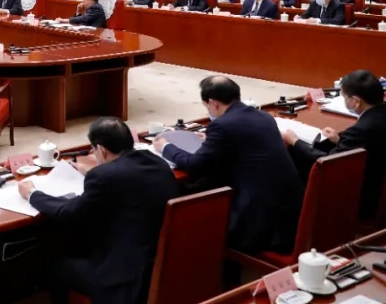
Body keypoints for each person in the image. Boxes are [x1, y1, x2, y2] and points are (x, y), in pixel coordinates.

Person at [21, 118, 178, 304]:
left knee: (56, 262)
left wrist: (32, 194)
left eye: (94, 150)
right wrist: (92, 172)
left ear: (101, 150)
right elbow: (126, 178)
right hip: (159, 265)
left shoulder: (105, 176)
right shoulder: (157, 163)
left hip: (122, 278)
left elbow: (69, 213)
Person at [156, 76, 302, 254]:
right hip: (289, 215)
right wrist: (213, 140)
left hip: (257, 223)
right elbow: (243, 141)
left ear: (212, 103)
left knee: (191, 206)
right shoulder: (264, 116)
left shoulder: (222, 125)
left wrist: (166, 147)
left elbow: (194, 165)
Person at [281, 69, 386, 219]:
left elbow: (329, 164)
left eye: (344, 97)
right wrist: (339, 141)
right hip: (378, 183)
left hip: (363, 198)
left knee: (294, 163)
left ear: (356, 101)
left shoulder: (360, 131)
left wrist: (295, 141)